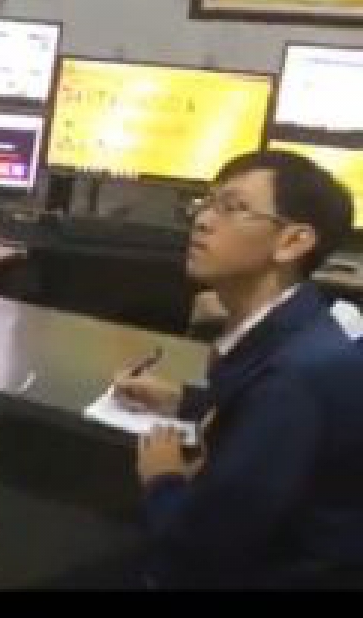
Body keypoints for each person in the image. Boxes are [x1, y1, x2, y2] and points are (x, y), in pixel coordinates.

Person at [113, 150, 363, 588]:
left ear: (293, 242)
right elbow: (260, 409)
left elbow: (201, 553)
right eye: (206, 203)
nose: (203, 220)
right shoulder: (301, 323)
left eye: (232, 207)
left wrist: (163, 478)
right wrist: (186, 401)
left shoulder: (294, 381)